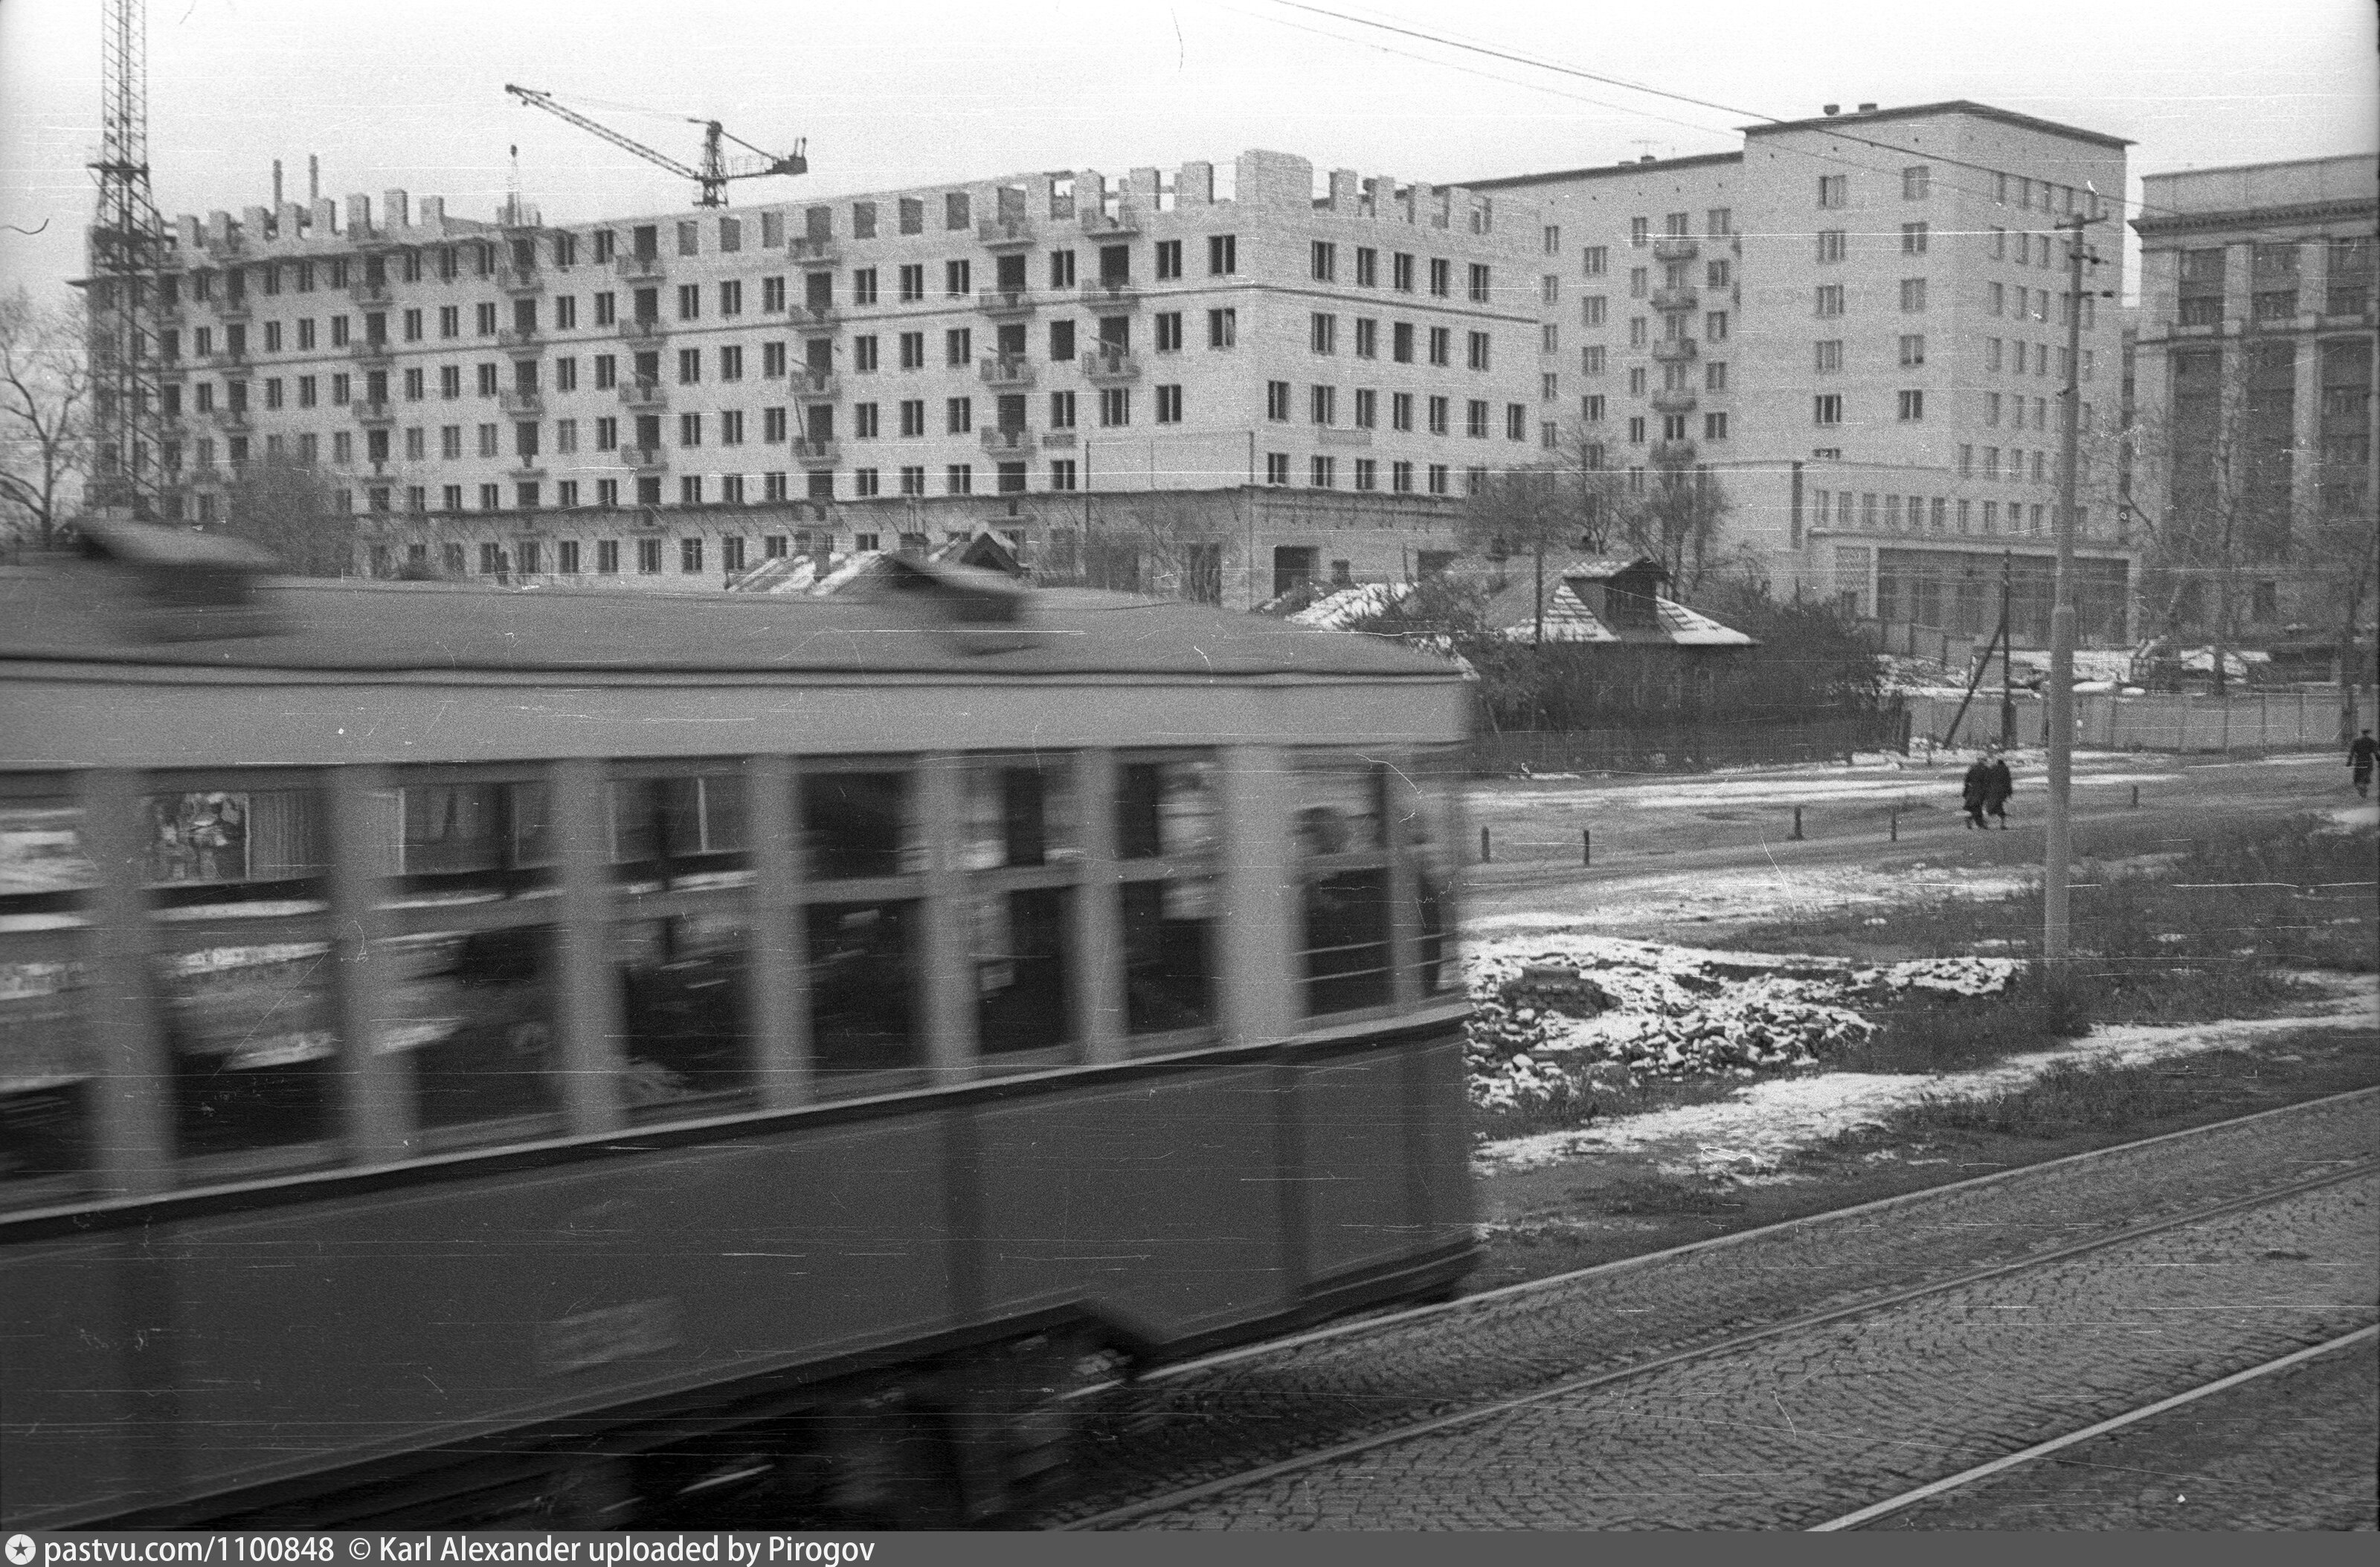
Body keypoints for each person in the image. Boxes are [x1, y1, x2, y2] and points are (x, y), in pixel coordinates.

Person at [1984, 752, 2016, 829]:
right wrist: (2010, 793)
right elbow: (2008, 781)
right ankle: (2002, 824)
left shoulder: (1992, 768)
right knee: (1999, 807)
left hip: (1992, 791)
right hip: (2002, 792)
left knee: (1991, 808)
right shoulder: (2005, 769)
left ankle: (1986, 822)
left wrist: (1986, 791)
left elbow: (1987, 780)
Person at [1960, 755, 1992, 830]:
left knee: (1972, 806)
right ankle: (1980, 824)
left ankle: (1971, 820)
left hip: (1972, 790)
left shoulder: (1972, 768)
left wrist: (1965, 791)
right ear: (1984, 761)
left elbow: (1967, 780)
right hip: (1981, 791)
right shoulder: (1986, 769)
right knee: (1978, 807)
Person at [2352, 729, 2378, 799]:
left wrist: (2349, 761)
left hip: (2359, 761)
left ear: (2362, 734)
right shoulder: (2372, 742)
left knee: (2357, 776)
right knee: (2367, 774)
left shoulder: (2356, 741)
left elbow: (2352, 752)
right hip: (2368, 761)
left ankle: (2360, 787)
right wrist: (2378, 759)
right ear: (2368, 734)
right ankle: (2364, 788)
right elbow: (2376, 753)